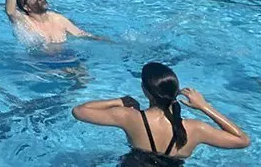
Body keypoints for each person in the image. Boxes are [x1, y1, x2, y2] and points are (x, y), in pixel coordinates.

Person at [72, 62, 250, 164]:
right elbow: (242, 140)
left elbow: (79, 111)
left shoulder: (129, 117)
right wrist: (205, 106)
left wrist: (120, 101)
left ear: (145, 91)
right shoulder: (196, 129)